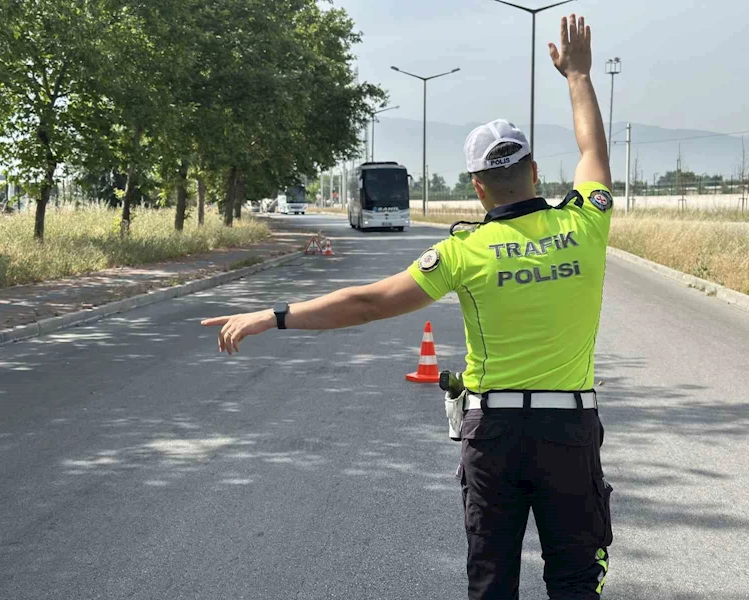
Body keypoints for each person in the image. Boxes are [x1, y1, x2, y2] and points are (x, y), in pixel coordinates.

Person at [202, 14, 613, 600]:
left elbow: (369, 303)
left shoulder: (462, 251)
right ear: (536, 172)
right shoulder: (586, 221)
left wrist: (274, 314)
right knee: (576, 582)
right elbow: (593, 148)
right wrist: (577, 74)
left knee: (493, 580)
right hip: (570, 430)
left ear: (476, 186)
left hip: (493, 431)